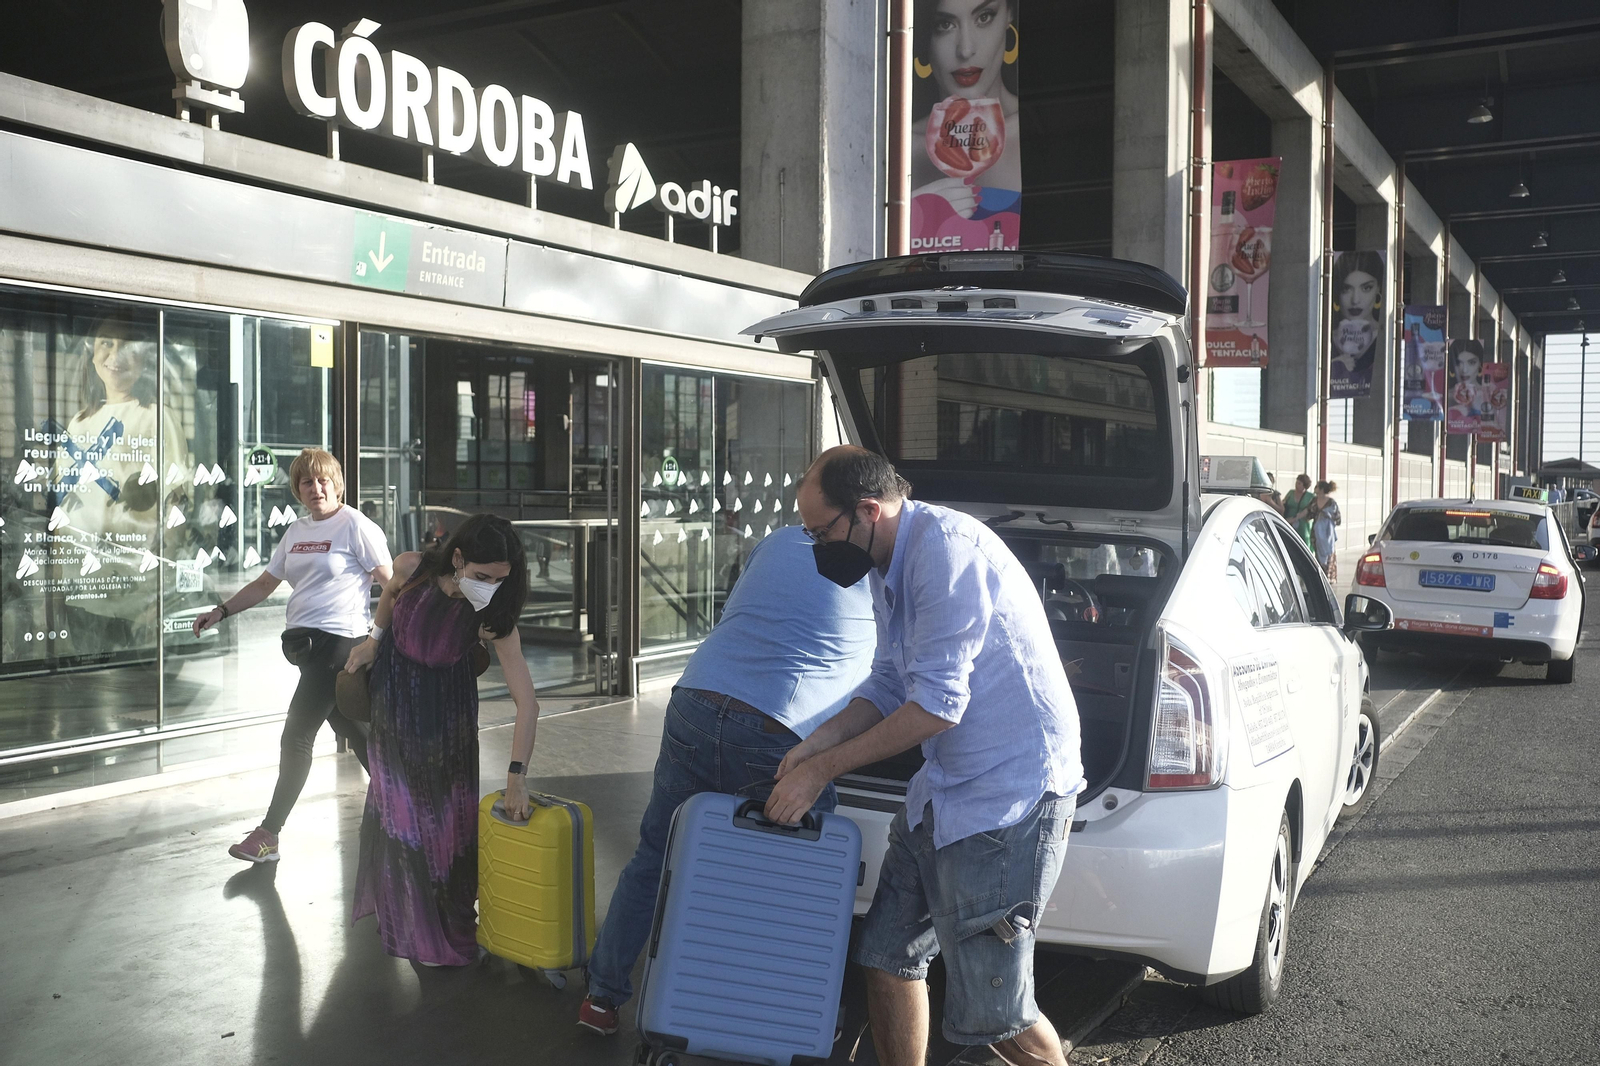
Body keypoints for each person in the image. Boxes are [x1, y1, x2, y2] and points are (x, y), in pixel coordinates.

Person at [771, 446, 1083, 1066]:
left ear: (867, 510)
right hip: (944, 793)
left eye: (821, 531)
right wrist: (812, 744)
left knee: (1000, 1016)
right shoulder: (890, 562)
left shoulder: (945, 553)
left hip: (1007, 800)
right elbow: (890, 682)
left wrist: (822, 772)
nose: (817, 546)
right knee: (886, 959)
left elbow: (939, 707)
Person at [576, 525, 877, 1035]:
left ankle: (601, 999)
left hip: (697, 697)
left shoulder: (781, 539)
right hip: (782, 728)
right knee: (795, 880)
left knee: (656, 854)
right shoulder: (884, 569)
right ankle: (767, 1014)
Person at [345, 513, 539, 967]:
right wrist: (374, 640)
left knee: (443, 833)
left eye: (499, 579)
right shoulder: (412, 567)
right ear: (457, 558)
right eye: (482, 575)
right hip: (394, 716)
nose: (490, 585)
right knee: (400, 826)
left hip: (446, 730)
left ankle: (442, 926)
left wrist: (517, 776)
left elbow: (527, 703)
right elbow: (390, 594)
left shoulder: (493, 615)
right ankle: (411, 927)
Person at [196, 449, 392, 864]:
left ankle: (269, 833)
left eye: (324, 481)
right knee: (358, 733)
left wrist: (377, 638)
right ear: (297, 490)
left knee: (297, 734)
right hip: (305, 647)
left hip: (341, 643)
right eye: (307, 482)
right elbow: (267, 582)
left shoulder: (355, 525)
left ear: (337, 484)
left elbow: (392, 586)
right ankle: (406, 809)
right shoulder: (296, 531)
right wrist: (222, 611)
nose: (316, 488)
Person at [56, 311, 188, 652]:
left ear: (145, 358)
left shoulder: (157, 418)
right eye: (105, 342)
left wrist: (161, 595)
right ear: (91, 352)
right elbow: (63, 509)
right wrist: (55, 585)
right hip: (82, 591)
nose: (115, 355)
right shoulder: (78, 423)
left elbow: (175, 507)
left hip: (134, 594)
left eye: (128, 344)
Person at [910, 0, 1020, 246]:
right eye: (944, 25)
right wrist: (915, 214)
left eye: (984, 17)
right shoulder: (900, 150)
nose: (966, 49)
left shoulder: (1034, 136)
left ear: (1009, 14)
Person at [1330, 251, 1384, 395]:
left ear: (1378, 289)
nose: (1355, 300)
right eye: (1346, 289)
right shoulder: (1324, 340)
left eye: (1366, 288)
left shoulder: (1386, 339)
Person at [1311, 480, 1341, 581]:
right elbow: (1307, 512)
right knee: (1318, 554)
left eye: (1317, 487)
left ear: (1321, 489)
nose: (1315, 488)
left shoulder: (1332, 503)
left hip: (1328, 534)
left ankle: (1328, 577)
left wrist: (1326, 520)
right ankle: (1320, 576)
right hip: (1316, 533)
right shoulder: (1314, 501)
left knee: (1329, 555)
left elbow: (1338, 519)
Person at [1282, 473, 1316, 551]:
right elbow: (1284, 503)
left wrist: (1295, 518)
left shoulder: (1310, 496)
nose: (1296, 485)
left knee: (1303, 542)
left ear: (1305, 485)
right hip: (1289, 521)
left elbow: (1309, 509)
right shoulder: (1291, 493)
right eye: (1296, 482)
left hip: (1303, 523)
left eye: (1299, 483)